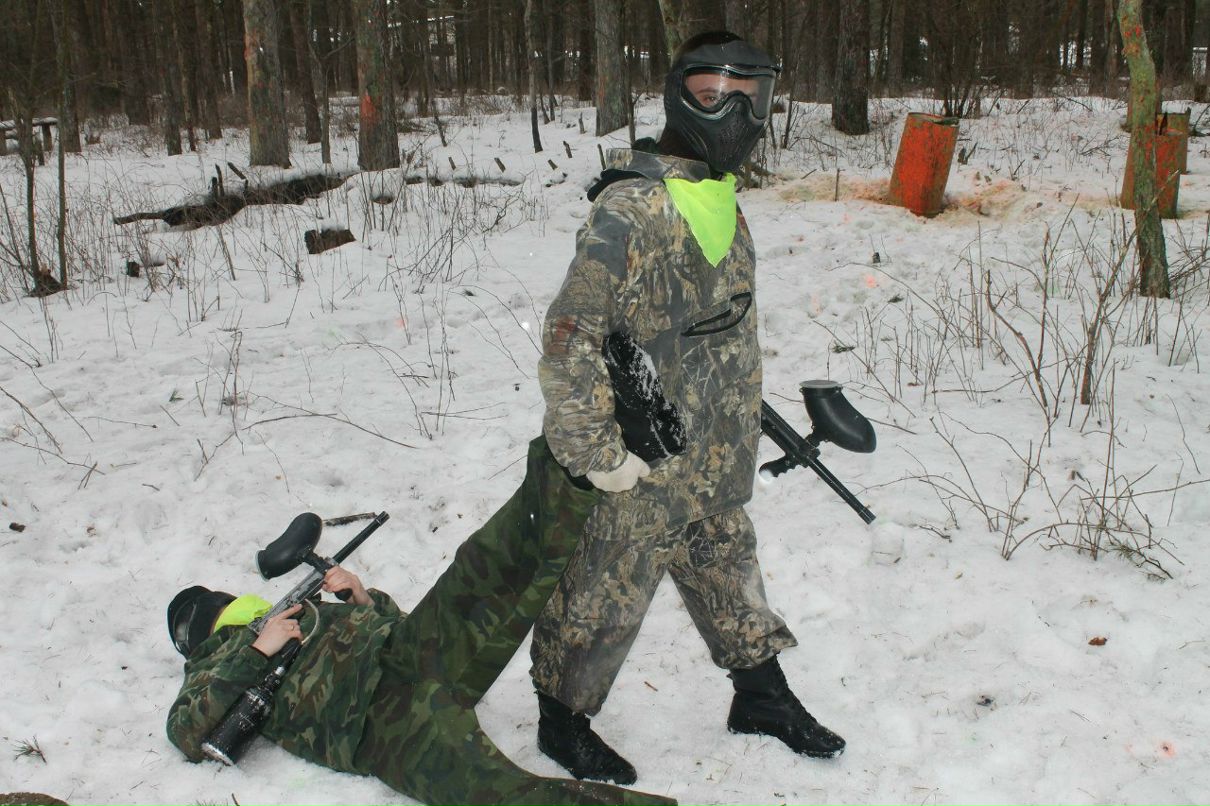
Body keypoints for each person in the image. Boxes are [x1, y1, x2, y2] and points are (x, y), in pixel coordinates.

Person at [529, 31, 846, 785]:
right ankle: (560, 720)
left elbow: (716, 322)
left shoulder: (717, 198)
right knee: (607, 584)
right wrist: (595, 453)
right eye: (713, 94)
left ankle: (760, 695)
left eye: (752, 96)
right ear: (678, 97)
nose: (735, 114)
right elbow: (571, 333)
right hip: (640, 454)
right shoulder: (634, 208)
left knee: (724, 559)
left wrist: (741, 407)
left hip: (712, 442)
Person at [166, 437, 675, 806]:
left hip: (409, 650)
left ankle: (572, 461)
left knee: (483, 569)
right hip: (377, 725)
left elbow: (383, 624)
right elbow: (186, 731)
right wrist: (258, 651)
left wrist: (361, 598)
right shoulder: (209, 668)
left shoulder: (296, 611)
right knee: (499, 794)